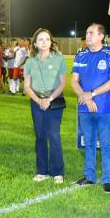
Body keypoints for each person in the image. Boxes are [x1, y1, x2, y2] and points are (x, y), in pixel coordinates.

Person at [71, 23, 110, 192]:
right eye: (87, 32)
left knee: (106, 144)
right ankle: (89, 176)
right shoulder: (80, 56)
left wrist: (90, 95)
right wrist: (84, 97)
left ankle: (107, 179)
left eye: (91, 33)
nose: (88, 35)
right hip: (85, 108)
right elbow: (74, 81)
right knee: (89, 143)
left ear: (101, 36)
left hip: (104, 108)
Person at [24, 28, 67, 184]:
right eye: (41, 39)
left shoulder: (59, 59)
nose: (44, 42)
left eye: (47, 39)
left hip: (54, 100)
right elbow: (27, 87)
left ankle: (57, 172)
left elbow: (63, 84)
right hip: (37, 101)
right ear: (35, 43)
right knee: (40, 136)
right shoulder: (30, 62)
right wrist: (38, 100)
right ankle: (42, 171)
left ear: (51, 42)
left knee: (53, 135)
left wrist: (49, 99)